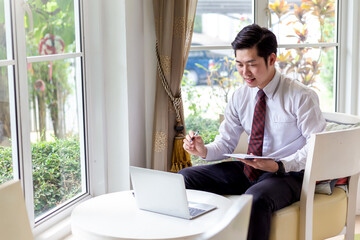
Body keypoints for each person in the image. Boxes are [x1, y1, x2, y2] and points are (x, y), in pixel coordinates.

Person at [180, 24, 326, 240]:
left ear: (272, 60)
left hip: (289, 173)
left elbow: (316, 148)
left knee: (255, 199)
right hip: (251, 168)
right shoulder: (240, 97)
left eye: (251, 64)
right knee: (182, 179)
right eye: (239, 64)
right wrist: (203, 150)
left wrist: (279, 165)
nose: (244, 73)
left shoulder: (301, 97)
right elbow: (226, 144)